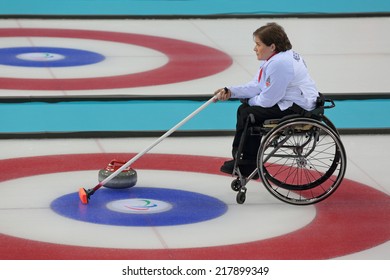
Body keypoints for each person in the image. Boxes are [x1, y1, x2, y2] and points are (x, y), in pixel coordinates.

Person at [214, 22, 319, 176]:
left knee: (248, 113)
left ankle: (247, 163)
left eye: (258, 44)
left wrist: (248, 100)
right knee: (245, 110)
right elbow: (257, 86)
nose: (254, 48)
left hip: (297, 107)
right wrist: (231, 91)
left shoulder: (280, 63)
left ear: (272, 46)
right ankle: (243, 160)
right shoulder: (274, 59)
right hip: (292, 101)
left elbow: (267, 100)